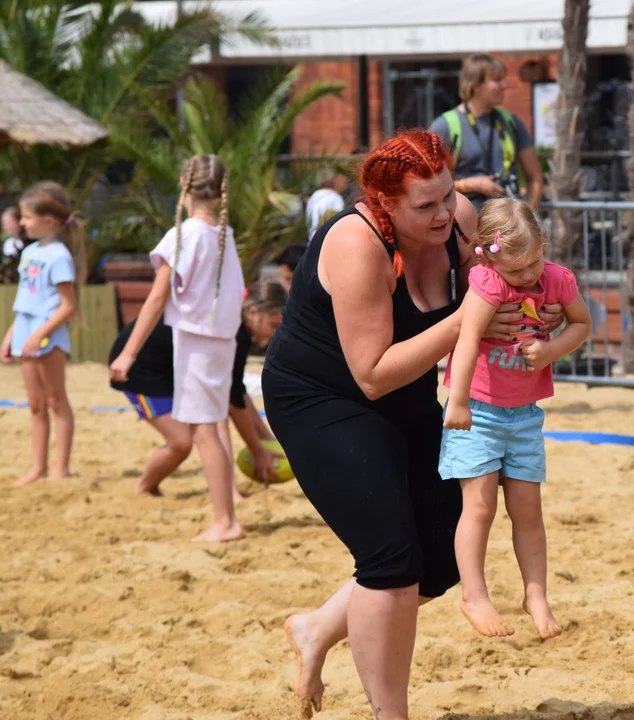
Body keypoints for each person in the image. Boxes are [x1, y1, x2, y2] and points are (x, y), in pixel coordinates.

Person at [260, 129, 565, 718]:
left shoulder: (464, 220)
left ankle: (318, 628)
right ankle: (390, 714)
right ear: (384, 204)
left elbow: (511, 282)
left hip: (409, 390)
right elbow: (371, 373)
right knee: (391, 562)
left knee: (441, 556)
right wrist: (466, 326)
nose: (444, 214)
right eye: (424, 206)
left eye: (448, 197)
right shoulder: (357, 243)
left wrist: (543, 306)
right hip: (323, 398)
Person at [441, 198, 591, 640]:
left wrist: (550, 350)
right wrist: (459, 401)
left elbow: (582, 325)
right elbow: (467, 339)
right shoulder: (487, 282)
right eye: (517, 270)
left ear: (545, 246)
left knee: (528, 510)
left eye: (534, 263)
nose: (528, 277)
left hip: (525, 416)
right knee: (480, 506)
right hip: (480, 414)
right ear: (489, 257)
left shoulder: (557, 280)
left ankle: (536, 595)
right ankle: (474, 594)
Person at [109, 154, 246, 544]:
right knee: (211, 428)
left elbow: (155, 299)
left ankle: (225, 521)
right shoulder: (223, 233)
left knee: (205, 431)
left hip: (198, 341)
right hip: (220, 340)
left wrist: (128, 352)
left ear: (184, 185)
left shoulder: (187, 234)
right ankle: (226, 516)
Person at [108, 280, 286, 496]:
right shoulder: (232, 329)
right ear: (254, 312)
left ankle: (227, 492)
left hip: (172, 367)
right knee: (181, 443)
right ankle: (144, 487)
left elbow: (236, 391)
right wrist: (258, 451)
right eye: (274, 325)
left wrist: (267, 441)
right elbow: (234, 402)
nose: (275, 333)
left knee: (212, 415)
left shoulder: (237, 324)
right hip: (141, 369)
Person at [0, 182, 86, 486]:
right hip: (26, 331)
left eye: (26, 217)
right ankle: (37, 467)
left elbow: (68, 305)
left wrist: (41, 333)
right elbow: (26, 299)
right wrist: (13, 333)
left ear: (48, 221)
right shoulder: (30, 253)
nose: (21, 223)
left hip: (48, 337)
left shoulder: (59, 256)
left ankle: (60, 468)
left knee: (56, 401)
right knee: (35, 404)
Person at [430, 53, 544, 212]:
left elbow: (535, 178)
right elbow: (429, 182)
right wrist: (471, 185)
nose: (504, 85)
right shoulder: (445, 125)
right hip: (464, 224)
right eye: (497, 80)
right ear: (476, 85)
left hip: (506, 224)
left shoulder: (510, 121)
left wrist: (526, 219)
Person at [305, 168, 348, 241]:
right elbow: (339, 221)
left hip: (312, 240)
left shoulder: (313, 197)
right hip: (327, 240)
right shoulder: (335, 197)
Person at [0, 206, 25, 284]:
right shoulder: (4, 243)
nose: (4, 227)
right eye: (3, 223)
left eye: (7, 223)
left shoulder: (28, 242)